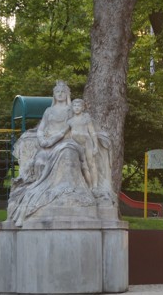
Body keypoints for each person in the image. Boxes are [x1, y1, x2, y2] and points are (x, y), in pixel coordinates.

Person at [6, 81, 95, 226]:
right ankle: (40, 188)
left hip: (66, 141)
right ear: (54, 94)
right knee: (40, 160)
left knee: (68, 152)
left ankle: (66, 189)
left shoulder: (71, 110)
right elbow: (41, 128)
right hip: (47, 144)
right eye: (57, 92)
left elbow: (74, 126)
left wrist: (56, 138)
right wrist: (42, 139)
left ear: (67, 94)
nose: (60, 94)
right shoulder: (48, 111)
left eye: (63, 92)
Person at [67, 98, 100, 190]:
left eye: (79, 106)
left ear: (83, 108)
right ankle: (85, 185)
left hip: (87, 142)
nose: (77, 107)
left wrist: (96, 146)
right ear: (72, 108)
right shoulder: (70, 121)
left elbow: (92, 132)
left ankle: (95, 185)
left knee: (91, 163)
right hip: (75, 144)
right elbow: (66, 134)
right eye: (75, 106)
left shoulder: (86, 118)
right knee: (80, 165)